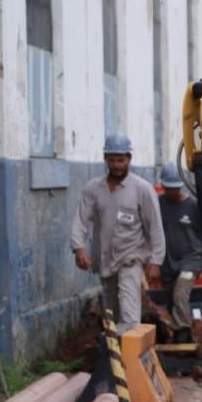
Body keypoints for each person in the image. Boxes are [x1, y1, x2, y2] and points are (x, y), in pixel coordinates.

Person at [71, 134, 165, 331]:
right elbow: (81, 220)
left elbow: (155, 227)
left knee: (130, 318)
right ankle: (115, 356)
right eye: (112, 160)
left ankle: (129, 358)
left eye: (121, 160)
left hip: (131, 260)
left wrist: (156, 260)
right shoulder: (93, 189)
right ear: (105, 159)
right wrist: (78, 248)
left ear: (129, 159)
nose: (116, 165)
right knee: (112, 315)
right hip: (105, 262)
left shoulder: (142, 190)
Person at [157, 162, 202, 343]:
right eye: (168, 188)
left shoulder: (192, 206)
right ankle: (179, 332)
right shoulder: (158, 205)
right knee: (171, 298)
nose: (172, 193)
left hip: (191, 259)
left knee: (180, 292)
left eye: (175, 189)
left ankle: (183, 331)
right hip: (168, 262)